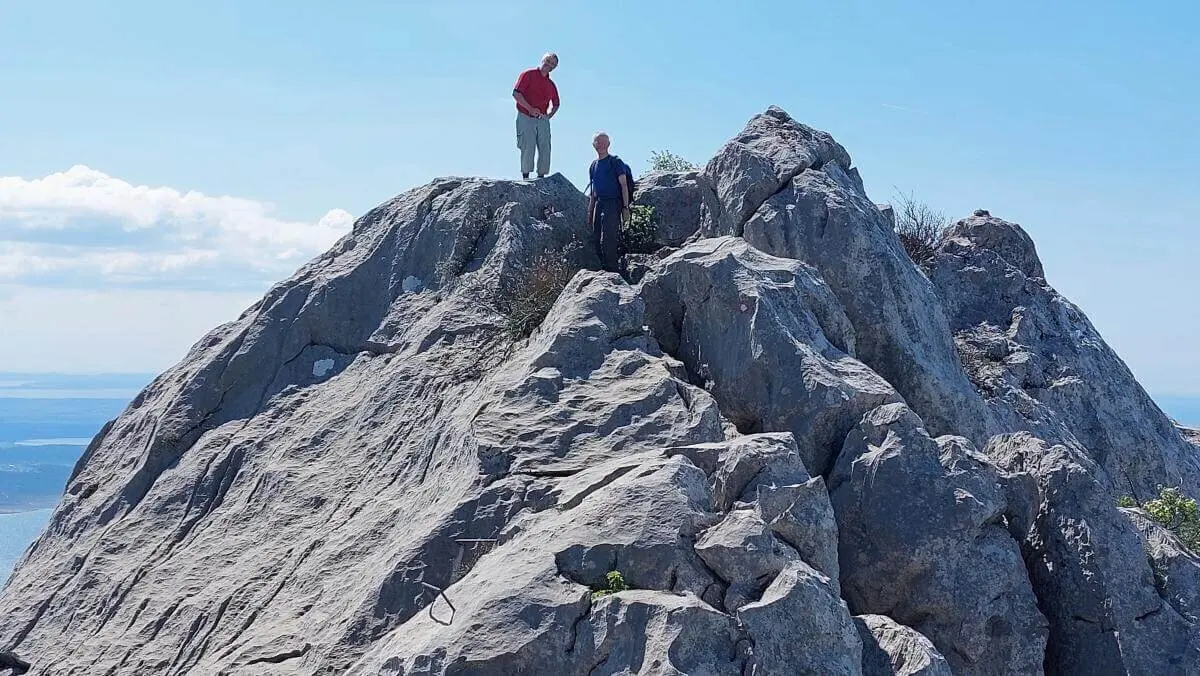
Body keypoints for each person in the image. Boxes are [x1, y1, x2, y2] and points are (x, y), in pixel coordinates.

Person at [587, 132, 631, 273]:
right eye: (597, 142)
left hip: (613, 203)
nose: (600, 145)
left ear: (608, 144)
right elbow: (593, 191)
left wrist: (625, 207)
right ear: (594, 145)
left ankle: (612, 271)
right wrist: (590, 211)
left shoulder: (616, 162)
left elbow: (623, 185)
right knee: (596, 238)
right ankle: (604, 269)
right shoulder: (593, 166)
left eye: (603, 142)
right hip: (599, 203)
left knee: (608, 238)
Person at [512, 53, 560, 179]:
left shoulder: (551, 84)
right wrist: (530, 109)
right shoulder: (528, 74)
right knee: (528, 145)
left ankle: (541, 177)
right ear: (543, 60)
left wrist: (548, 116)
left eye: (552, 64)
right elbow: (516, 94)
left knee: (545, 147)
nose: (549, 65)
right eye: (548, 61)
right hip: (525, 115)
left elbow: (556, 103)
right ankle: (526, 177)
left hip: (542, 118)